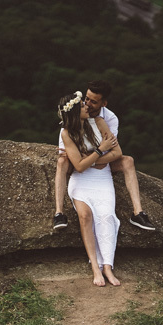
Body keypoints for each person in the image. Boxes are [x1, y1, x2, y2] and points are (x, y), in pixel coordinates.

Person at [52, 80, 156, 232]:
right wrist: (84, 159)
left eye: (93, 102)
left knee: (128, 161)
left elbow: (114, 151)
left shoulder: (110, 119)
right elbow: (65, 151)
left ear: (104, 103)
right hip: (79, 162)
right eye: (86, 98)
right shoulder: (75, 111)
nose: (87, 104)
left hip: (100, 161)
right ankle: (59, 213)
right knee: (62, 161)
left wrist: (91, 160)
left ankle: (138, 213)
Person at [57, 90, 124, 286]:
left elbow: (118, 152)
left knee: (106, 217)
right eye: (83, 106)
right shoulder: (67, 133)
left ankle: (107, 268)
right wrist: (100, 150)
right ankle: (95, 267)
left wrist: (91, 160)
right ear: (75, 112)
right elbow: (78, 166)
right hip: (81, 181)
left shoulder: (100, 123)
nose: (87, 106)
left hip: (102, 179)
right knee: (85, 216)